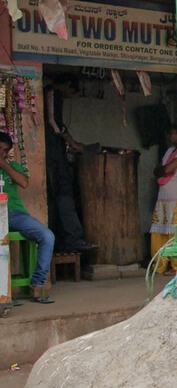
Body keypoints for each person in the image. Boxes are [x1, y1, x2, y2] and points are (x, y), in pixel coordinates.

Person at [0, 131, 55, 303]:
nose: (1, 152)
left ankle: (37, 285)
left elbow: (24, 183)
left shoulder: (13, 166)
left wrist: (3, 163)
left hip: (15, 214)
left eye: (4, 150)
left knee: (47, 236)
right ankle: (4, 293)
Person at [43, 74, 93, 253]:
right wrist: (72, 143)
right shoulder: (52, 93)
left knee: (57, 199)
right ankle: (73, 238)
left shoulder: (54, 94)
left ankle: (62, 240)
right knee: (63, 196)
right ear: (66, 85)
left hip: (54, 153)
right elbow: (54, 123)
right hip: (53, 156)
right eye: (71, 91)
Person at [150, 126, 177, 273]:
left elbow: (167, 169)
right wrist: (161, 170)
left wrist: (161, 171)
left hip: (176, 194)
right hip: (163, 196)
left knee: (175, 229)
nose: (170, 137)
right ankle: (161, 263)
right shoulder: (170, 150)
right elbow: (157, 170)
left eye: (172, 134)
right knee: (162, 228)